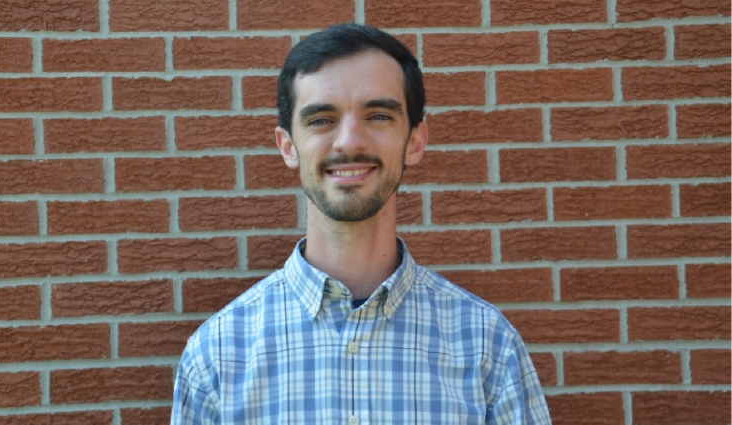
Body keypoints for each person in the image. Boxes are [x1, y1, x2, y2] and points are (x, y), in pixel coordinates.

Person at [172, 23, 552, 424]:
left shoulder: (487, 347)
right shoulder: (217, 356)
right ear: (288, 147)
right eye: (321, 119)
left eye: (378, 115)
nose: (350, 141)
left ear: (415, 141)